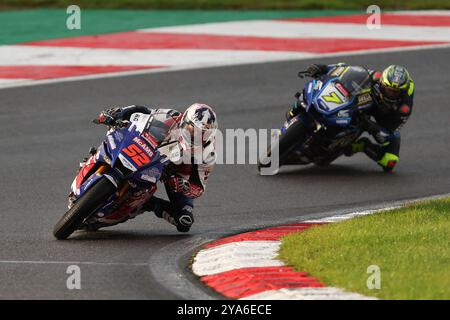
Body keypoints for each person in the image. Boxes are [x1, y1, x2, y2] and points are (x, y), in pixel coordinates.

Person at [83, 103, 217, 232]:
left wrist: (184, 185)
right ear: (185, 121)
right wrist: (119, 112)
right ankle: (96, 160)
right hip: (151, 152)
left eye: (202, 134)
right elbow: (143, 111)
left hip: (174, 175)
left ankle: (147, 204)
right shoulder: (171, 116)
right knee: (118, 133)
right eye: (193, 130)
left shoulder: (207, 154)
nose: (196, 136)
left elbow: (199, 188)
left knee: (183, 220)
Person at [287, 63, 414, 172]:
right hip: (370, 103)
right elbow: (344, 68)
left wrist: (371, 126)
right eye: (388, 90)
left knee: (389, 162)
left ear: (402, 92)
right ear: (381, 83)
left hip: (385, 117)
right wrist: (322, 67)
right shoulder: (376, 77)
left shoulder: (403, 109)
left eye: (395, 92)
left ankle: (360, 146)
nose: (391, 94)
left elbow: (389, 134)